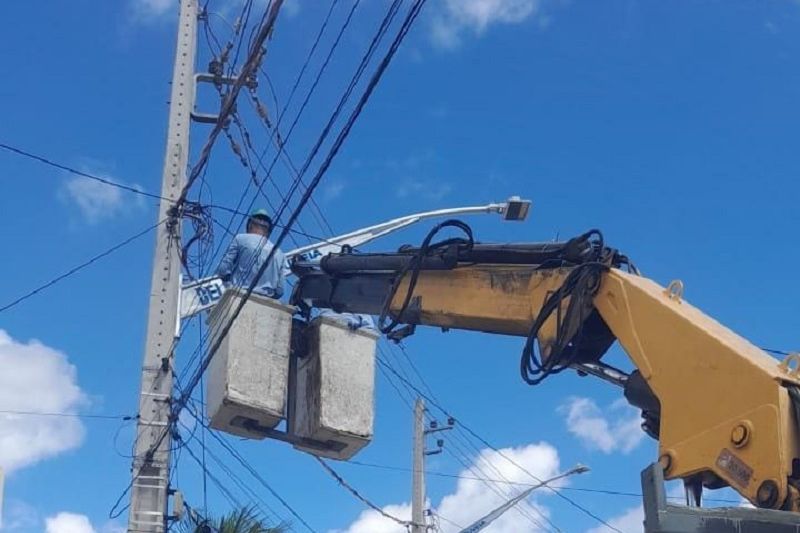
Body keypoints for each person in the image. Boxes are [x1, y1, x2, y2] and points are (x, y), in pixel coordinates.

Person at [216, 209, 288, 299]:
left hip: (238, 297)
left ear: (250, 225)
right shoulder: (279, 253)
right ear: (268, 231)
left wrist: (227, 282)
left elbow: (222, 269)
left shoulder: (240, 239)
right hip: (266, 304)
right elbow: (280, 290)